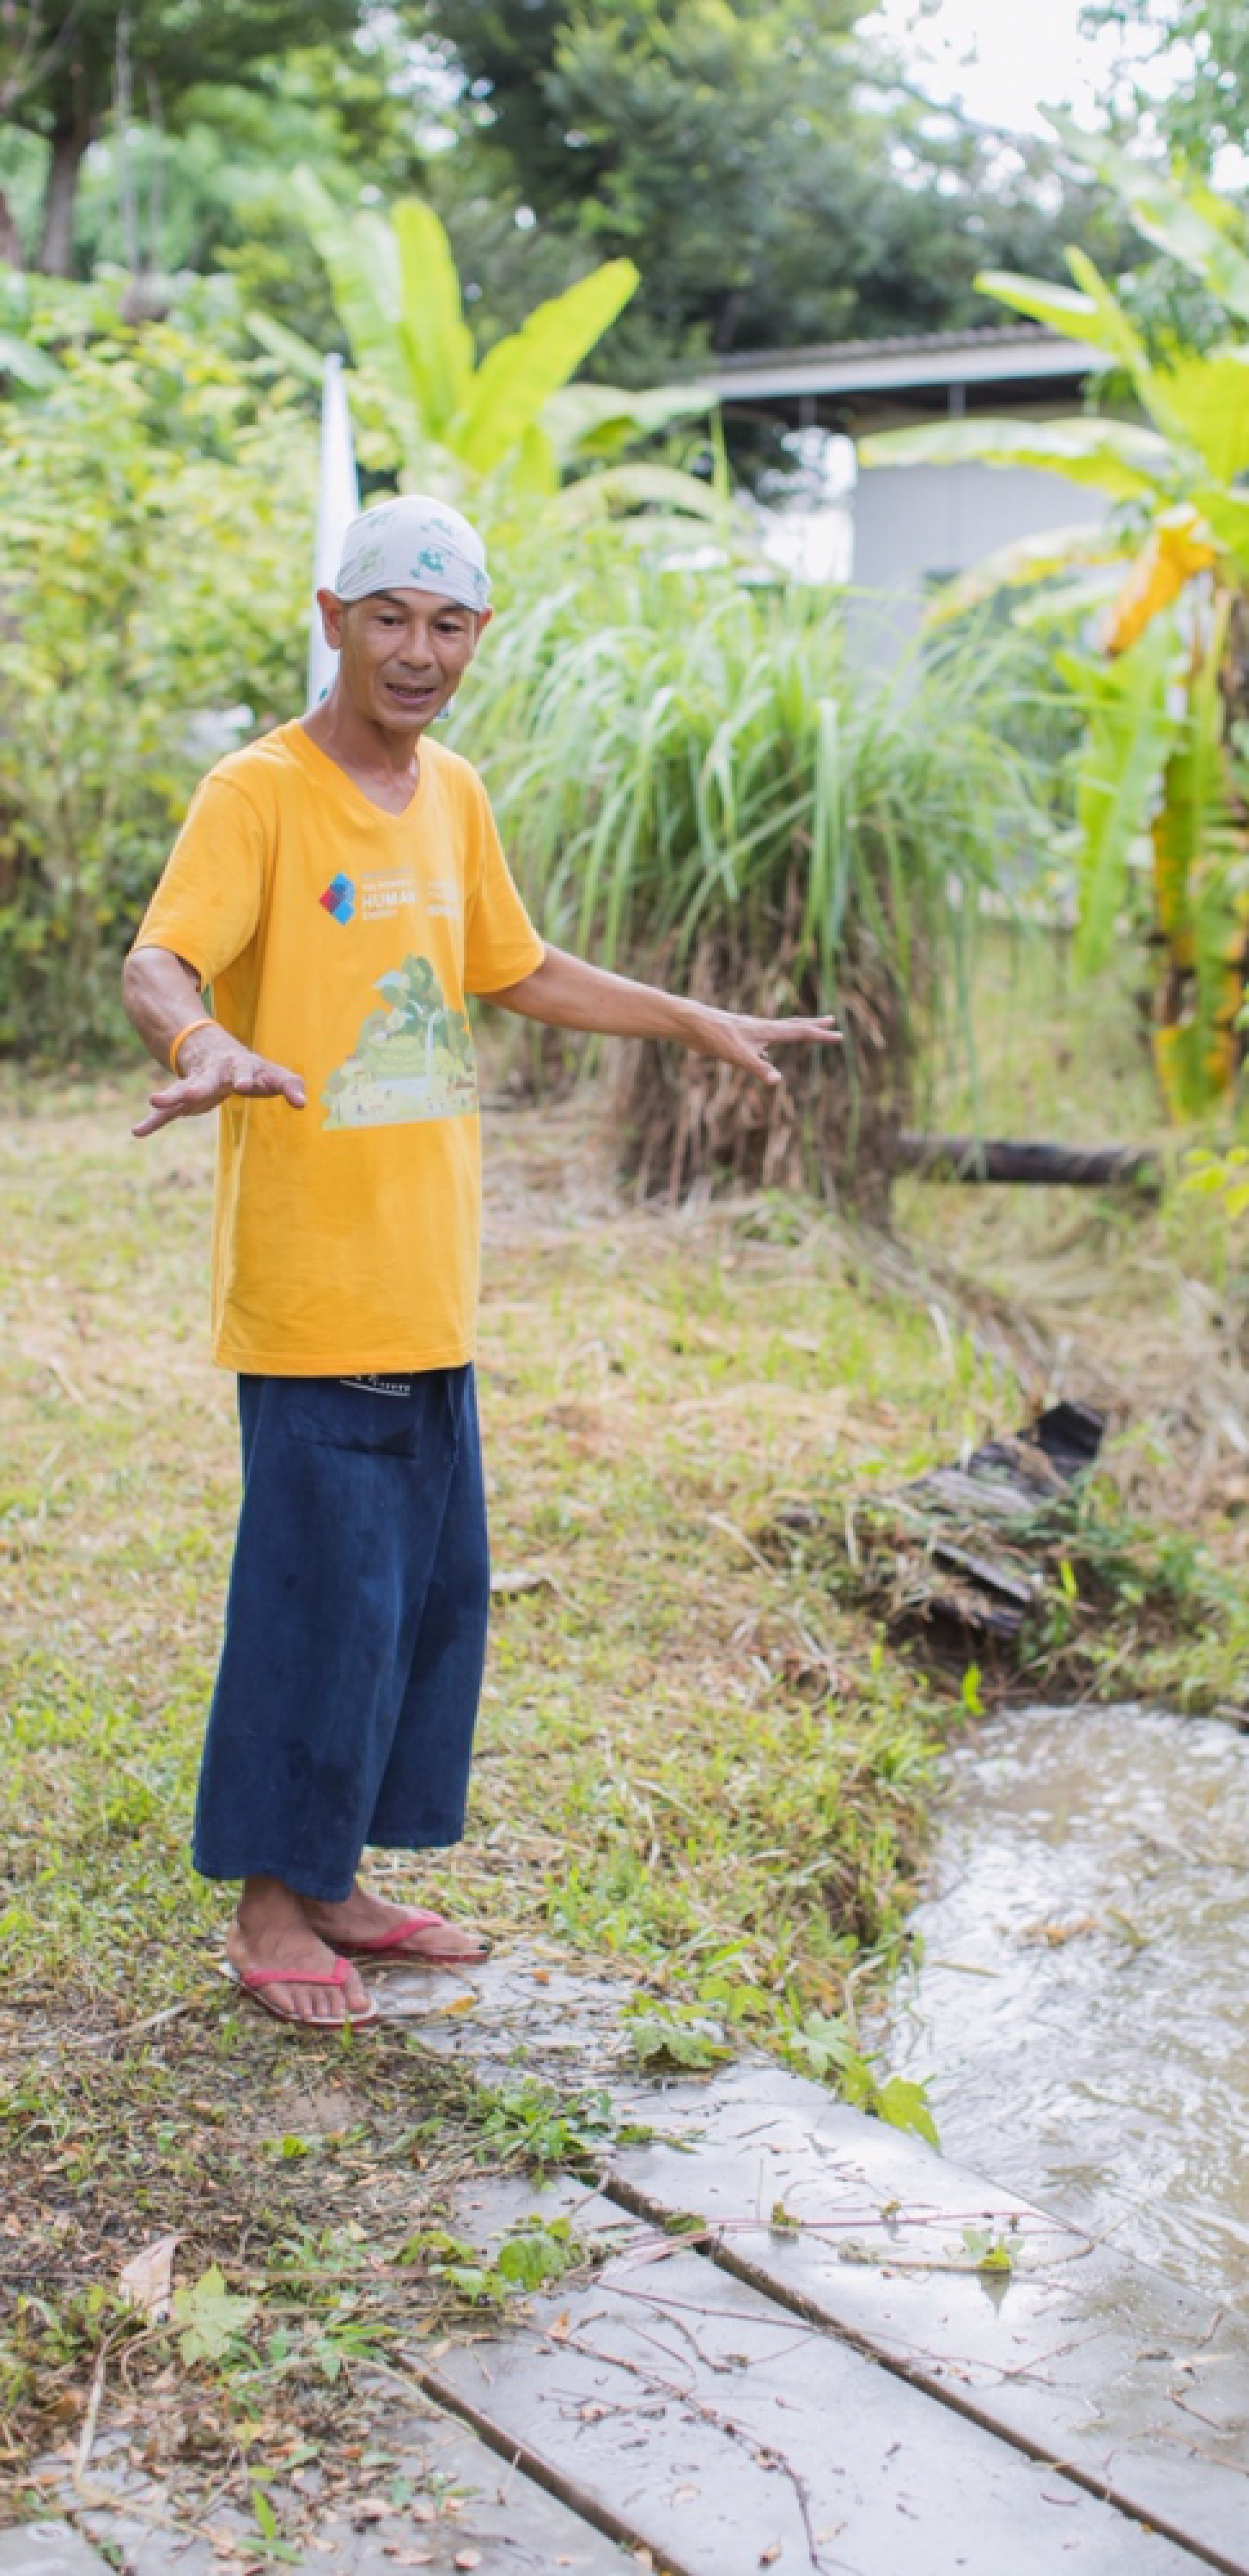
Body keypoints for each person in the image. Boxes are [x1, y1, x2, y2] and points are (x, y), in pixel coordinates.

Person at [122, 494, 840, 2035]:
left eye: (449, 624)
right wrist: (206, 1042)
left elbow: (511, 965)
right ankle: (268, 1901)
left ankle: (335, 1878)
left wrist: (693, 1015)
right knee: (315, 1594)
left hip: (429, 1275)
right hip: (314, 1281)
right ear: (333, 618)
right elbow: (157, 955)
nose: (418, 650)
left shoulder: (452, 794)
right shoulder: (256, 794)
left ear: (479, 639)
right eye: (390, 616)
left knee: (417, 1606)